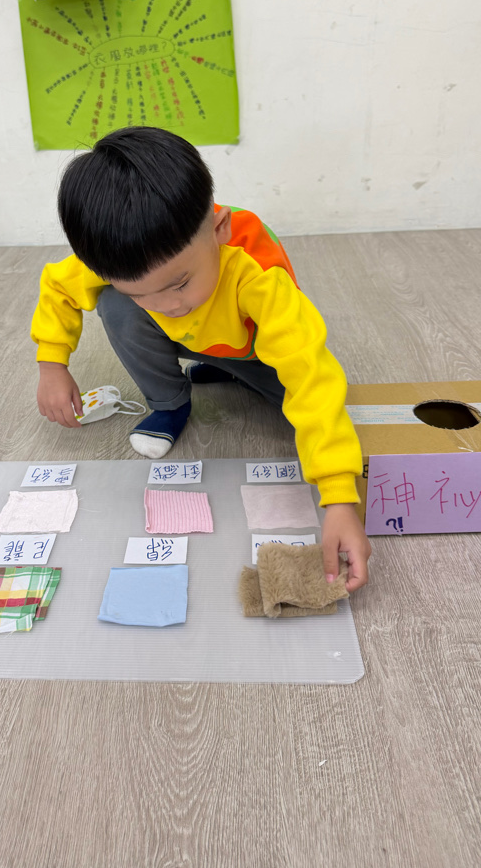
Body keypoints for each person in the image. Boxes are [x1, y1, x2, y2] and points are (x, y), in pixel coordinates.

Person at [31, 127, 371, 591]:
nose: (168, 304)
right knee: (115, 305)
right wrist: (52, 362)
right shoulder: (120, 263)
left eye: (180, 283)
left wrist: (339, 498)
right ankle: (170, 403)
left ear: (219, 228)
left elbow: (311, 377)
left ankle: (232, 369)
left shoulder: (257, 275)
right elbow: (57, 286)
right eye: (142, 292)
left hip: (256, 351)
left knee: (302, 405)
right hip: (197, 339)